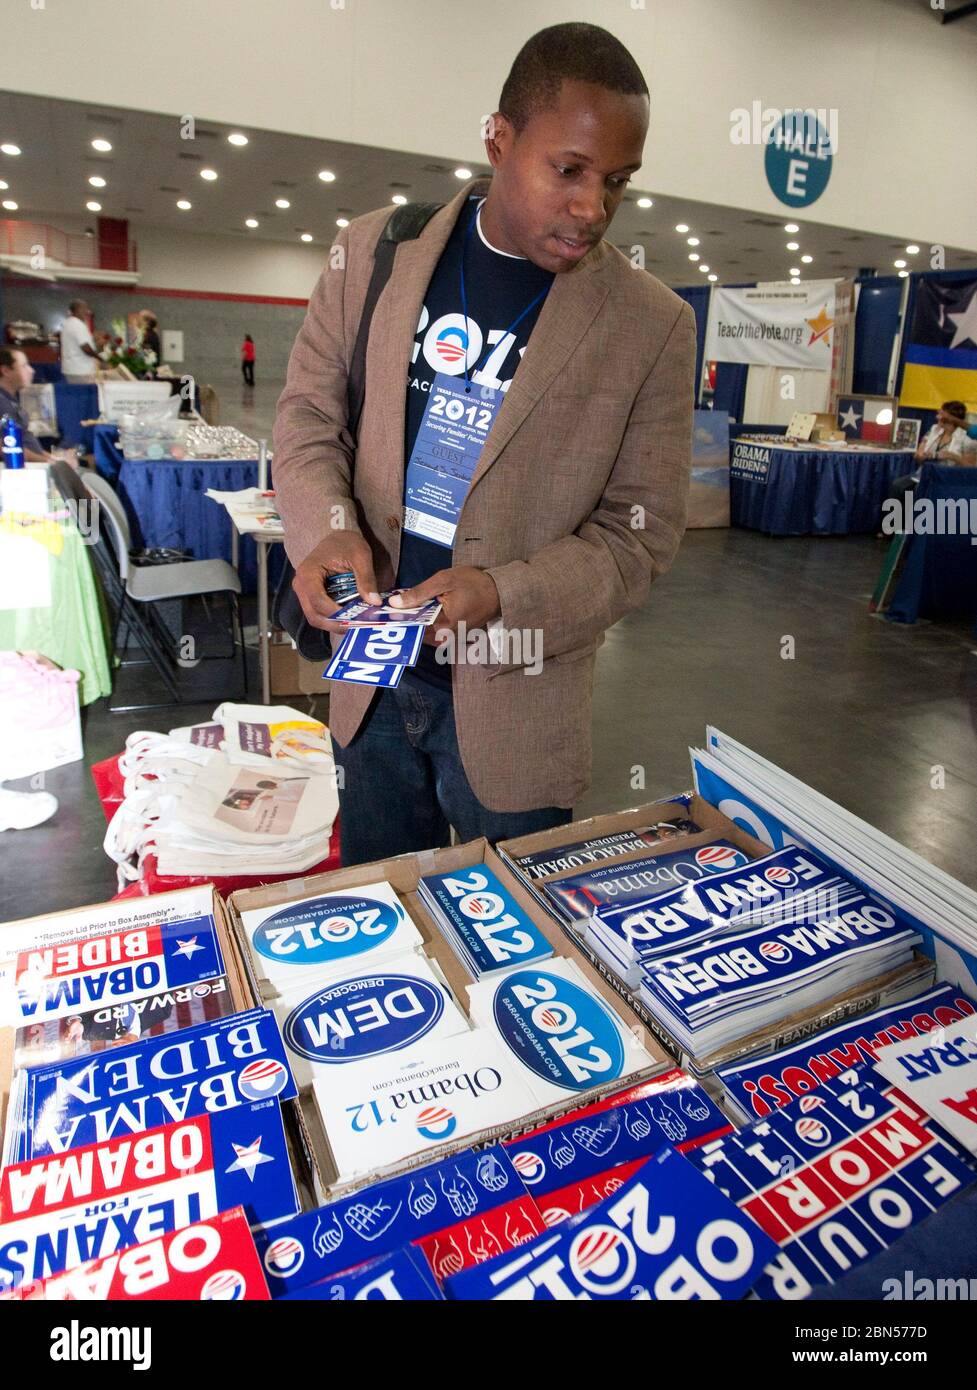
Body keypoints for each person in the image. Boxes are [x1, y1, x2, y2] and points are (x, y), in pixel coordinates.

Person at [274, 22, 695, 867]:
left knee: (523, 955)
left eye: (616, 182)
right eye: (567, 171)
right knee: (384, 913)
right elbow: (308, 418)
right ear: (498, 140)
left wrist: (499, 592)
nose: (592, 208)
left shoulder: (652, 325)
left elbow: (636, 539)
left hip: (519, 699)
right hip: (372, 687)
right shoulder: (374, 252)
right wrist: (326, 527)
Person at [886, 400, 977, 513]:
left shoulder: (966, 437)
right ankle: (892, 527)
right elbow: (918, 455)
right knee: (898, 485)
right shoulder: (934, 429)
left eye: (941, 414)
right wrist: (921, 456)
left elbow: (970, 468)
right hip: (924, 473)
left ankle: (912, 527)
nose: (937, 416)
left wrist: (952, 457)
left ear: (950, 418)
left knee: (918, 490)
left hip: (947, 477)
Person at [0, 347, 54, 461]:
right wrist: (47, 462)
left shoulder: (10, 400)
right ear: (6, 371)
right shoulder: (2, 403)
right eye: (24, 366)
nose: (32, 370)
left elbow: (26, 440)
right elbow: (7, 447)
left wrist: (50, 458)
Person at [59, 299, 99, 383]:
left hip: (72, 369)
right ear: (77, 310)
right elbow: (85, 348)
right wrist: (99, 358)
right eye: (84, 309)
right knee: (84, 394)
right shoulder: (78, 325)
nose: (87, 311)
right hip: (81, 371)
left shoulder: (68, 323)